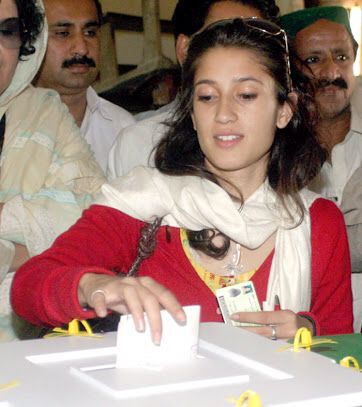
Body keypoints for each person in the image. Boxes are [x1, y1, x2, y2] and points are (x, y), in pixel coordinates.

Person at [12, 18, 353, 342]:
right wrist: (92, 285)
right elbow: (28, 287)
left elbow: (342, 348)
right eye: (206, 97)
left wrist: (308, 329)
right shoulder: (144, 203)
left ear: (284, 110)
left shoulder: (317, 222)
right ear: (191, 112)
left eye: (246, 95)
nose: (223, 113)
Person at [0, 0, 105, 341]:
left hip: (29, 357)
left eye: (7, 31)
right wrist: (21, 250)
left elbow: (93, 225)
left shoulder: (44, 111)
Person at [107, 0, 280, 179]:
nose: (241, 51)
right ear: (185, 50)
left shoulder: (290, 146)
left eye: (256, 41)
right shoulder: (139, 145)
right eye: (222, 35)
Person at [279, 6, 362, 332]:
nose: (332, 72)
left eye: (342, 57)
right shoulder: (271, 147)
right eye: (314, 60)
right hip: (299, 331)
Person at [34, 0, 135, 173]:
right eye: (63, 33)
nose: (81, 49)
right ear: (31, 41)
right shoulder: (8, 122)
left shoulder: (123, 128)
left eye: (90, 33)